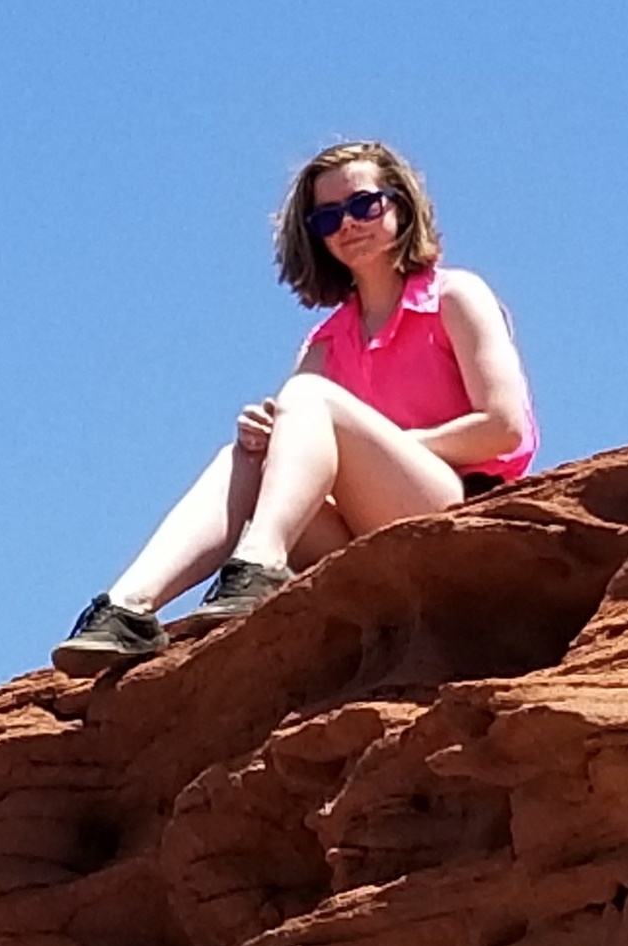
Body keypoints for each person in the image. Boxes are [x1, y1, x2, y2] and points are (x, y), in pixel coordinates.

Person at [51, 140, 538, 674]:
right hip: (360, 533)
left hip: (456, 508)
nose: (347, 224)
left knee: (307, 401)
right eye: (327, 217)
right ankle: (128, 609)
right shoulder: (326, 343)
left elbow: (504, 429)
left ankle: (260, 564)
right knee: (248, 451)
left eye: (363, 205)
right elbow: (297, 442)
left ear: (401, 204)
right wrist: (269, 436)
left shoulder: (455, 296)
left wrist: (368, 445)